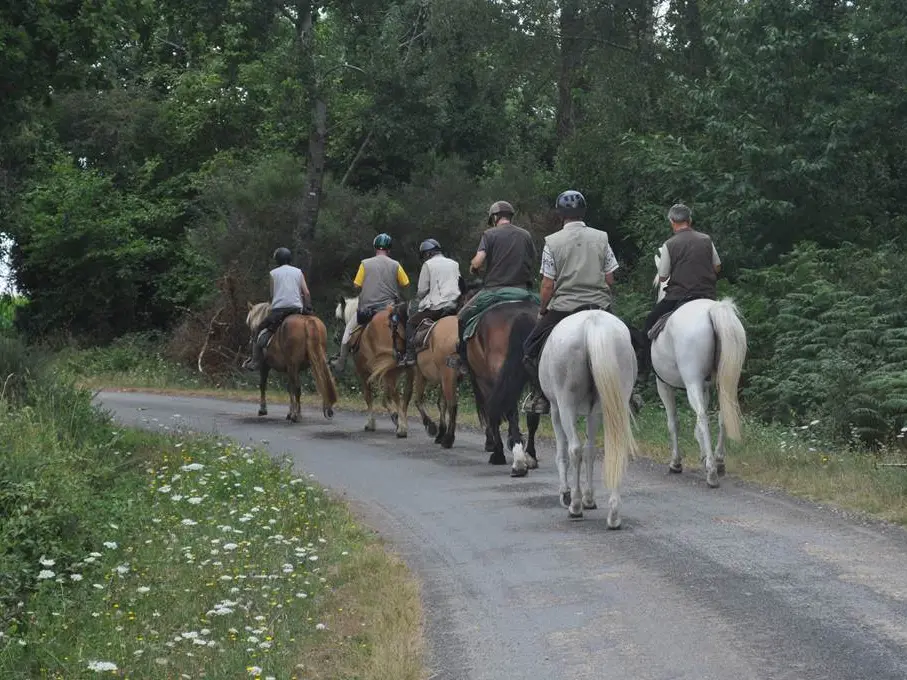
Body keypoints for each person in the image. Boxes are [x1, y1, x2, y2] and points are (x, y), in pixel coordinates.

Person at [521, 190, 619, 414]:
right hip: (599, 304)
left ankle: (541, 397)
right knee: (633, 342)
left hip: (564, 308)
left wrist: (543, 309)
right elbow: (610, 278)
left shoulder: (552, 242)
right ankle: (632, 393)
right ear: (583, 211)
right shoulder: (601, 237)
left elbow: (547, 285)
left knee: (528, 350)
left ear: (560, 214)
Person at [456, 200, 537, 367]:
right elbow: (532, 259)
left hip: (494, 291)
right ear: (510, 216)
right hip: (523, 291)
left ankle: (462, 361)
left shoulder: (489, 235)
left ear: (494, 217)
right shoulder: (525, 235)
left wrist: (473, 267)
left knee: (462, 317)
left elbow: (478, 262)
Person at [642, 203, 722, 359]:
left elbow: (663, 277)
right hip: (707, 294)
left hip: (678, 296)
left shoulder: (669, 244)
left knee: (650, 321)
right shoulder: (706, 239)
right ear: (690, 220)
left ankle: (644, 364)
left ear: (672, 221)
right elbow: (717, 266)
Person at [331, 233, 410, 374]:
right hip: (389, 308)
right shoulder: (396, 265)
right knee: (408, 328)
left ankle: (341, 361)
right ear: (389, 249)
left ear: (375, 248)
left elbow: (356, 285)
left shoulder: (365, 264)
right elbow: (405, 283)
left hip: (367, 308)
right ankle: (409, 356)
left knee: (348, 331)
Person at [243, 247, 311, 371]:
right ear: (289, 258)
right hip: (297, 309)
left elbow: (273, 295)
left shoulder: (273, 273)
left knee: (259, 329)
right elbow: (306, 293)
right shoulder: (298, 271)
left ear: (277, 260)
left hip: (279, 311)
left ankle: (255, 361)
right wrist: (308, 308)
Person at [400, 239, 465, 366]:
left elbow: (422, 290)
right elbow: (459, 283)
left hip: (438, 307)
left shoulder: (428, 265)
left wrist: (418, 298)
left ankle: (410, 355)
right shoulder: (454, 263)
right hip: (456, 305)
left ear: (428, 254)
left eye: (424, 256)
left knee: (410, 323)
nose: (424, 258)